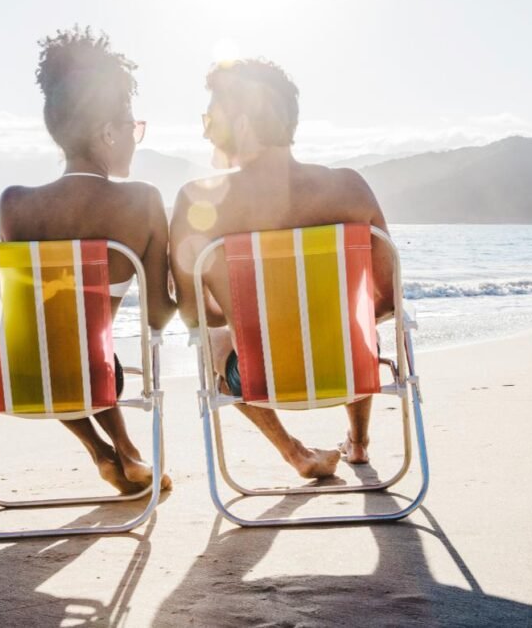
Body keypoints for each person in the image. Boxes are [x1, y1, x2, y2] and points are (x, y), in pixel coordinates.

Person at [169, 58, 395, 479]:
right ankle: (359, 441)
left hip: (257, 378)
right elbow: (388, 294)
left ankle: (292, 451)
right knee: (356, 320)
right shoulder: (349, 187)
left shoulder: (196, 201)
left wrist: (237, 317)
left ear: (241, 123)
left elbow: (194, 314)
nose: (204, 131)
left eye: (210, 117)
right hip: (350, 369)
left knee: (215, 340)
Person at [0, 26, 174, 494]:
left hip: (11, 374)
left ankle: (107, 452)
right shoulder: (142, 202)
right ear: (108, 132)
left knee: (59, 346)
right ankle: (125, 451)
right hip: (95, 377)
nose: (137, 137)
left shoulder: (13, 202)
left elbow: (26, 317)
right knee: (87, 357)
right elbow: (158, 314)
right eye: (134, 127)